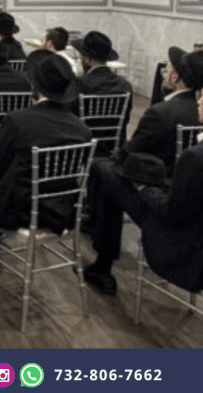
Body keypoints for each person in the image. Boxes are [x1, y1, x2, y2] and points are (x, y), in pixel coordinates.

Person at [83, 88, 203, 296]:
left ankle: (103, 264)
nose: (199, 101)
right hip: (192, 223)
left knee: (107, 174)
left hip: (180, 241)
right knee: (109, 174)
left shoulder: (194, 157)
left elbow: (169, 213)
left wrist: (144, 189)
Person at [0, 53, 91, 264]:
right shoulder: (82, 129)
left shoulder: (17, 121)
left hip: (21, 211)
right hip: (62, 211)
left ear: (35, 86)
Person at [114, 46, 203, 174]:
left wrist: (114, 158)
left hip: (155, 175)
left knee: (100, 168)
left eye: (166, 71)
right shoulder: (197, 110)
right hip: (185, 175)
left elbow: (134, 148)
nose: (162, 74)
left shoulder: (160, 112)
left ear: (175, 77)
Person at [71, 31, 133, 148]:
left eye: (80, 57)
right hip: (113, 146)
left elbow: (72, 119)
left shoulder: (79, 84)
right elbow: (125, 120)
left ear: (87, 59)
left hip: (85, 145)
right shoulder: (125, 86)